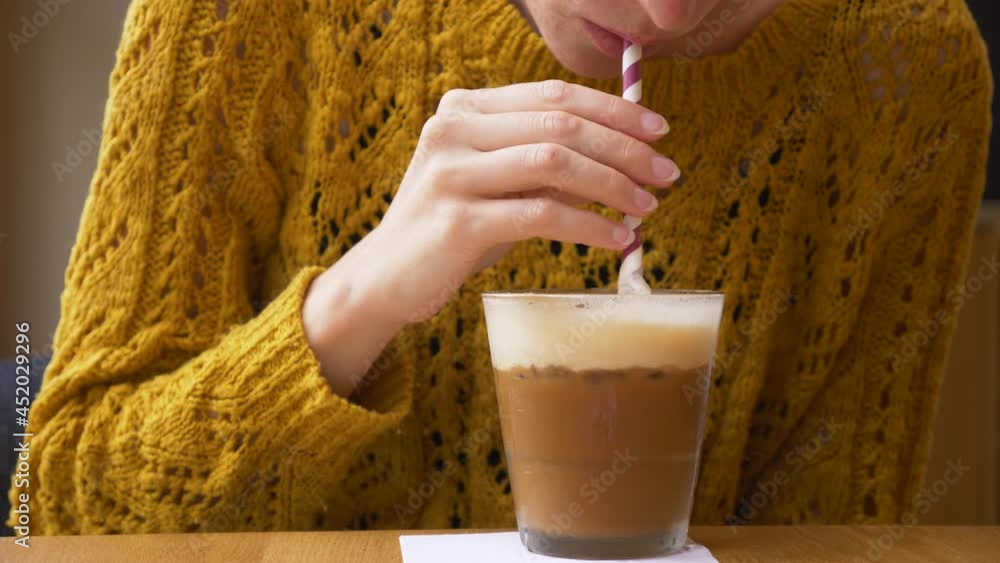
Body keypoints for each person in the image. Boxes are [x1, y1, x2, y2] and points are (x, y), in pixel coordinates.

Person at [9, 0, 991, 535]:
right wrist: (364, 294)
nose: (664, 10)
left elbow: (839, 533)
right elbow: (64, 509)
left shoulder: (904, 58)